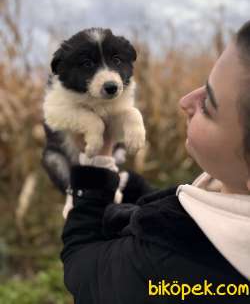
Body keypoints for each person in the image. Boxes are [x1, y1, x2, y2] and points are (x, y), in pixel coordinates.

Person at [61, 21, 250, 304]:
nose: (185, 101)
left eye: (208, 105)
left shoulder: (158, 268)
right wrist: (137, 191)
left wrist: (95, 166)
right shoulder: (230, 185)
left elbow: (86, 272)